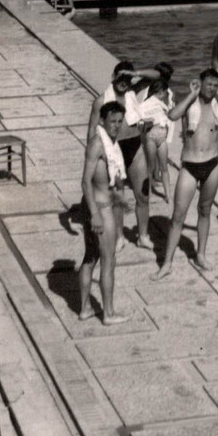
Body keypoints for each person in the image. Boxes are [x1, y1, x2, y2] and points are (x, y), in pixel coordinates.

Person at [153, 67, 218, 278]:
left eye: (216, 85)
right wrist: (191, 94)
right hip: (190, 165)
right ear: (200, 83)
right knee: (178, 215)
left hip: (212, 164)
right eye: (209, 85)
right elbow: (172, 115)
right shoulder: (191, 105)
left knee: (205, 211)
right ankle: (166, 263)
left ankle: (201, 254)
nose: (212, 89)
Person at [78, 102, 130, 325]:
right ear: (102, 121)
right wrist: (95, 214)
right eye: (113, 122)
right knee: (109, 262)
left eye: (120, 122)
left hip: (103, 205)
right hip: (99, 208)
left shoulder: (111, 143)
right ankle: (108, 313)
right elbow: (85, 182)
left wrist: (119, 195)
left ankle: (85, 309)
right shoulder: (98, 143)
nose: (117, 126)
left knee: (90, 258)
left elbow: (109, 177)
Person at [88, 61, 148, 245]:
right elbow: (91, 132)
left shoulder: (132, 92)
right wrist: (93, 158)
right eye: (120, 78)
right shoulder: (101, 101)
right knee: (118, 196)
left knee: (143, 195)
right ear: (113, 77)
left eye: (127, 79)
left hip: (135, 147)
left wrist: (134, 72)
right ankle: (120, 236)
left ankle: (143, 236)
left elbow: (158, 75)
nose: (124, 82)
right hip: (114, 150)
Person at [134, 70, 175, 199]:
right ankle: (147, 191)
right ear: (161, 92)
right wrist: (145, 122)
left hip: (161, 137)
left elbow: (169, 120)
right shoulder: (145, 104)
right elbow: (138, 122)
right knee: (151, 166)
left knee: (163, 167)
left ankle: (167, 194)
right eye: (165, 93)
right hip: (151, 137)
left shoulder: (163, 105)